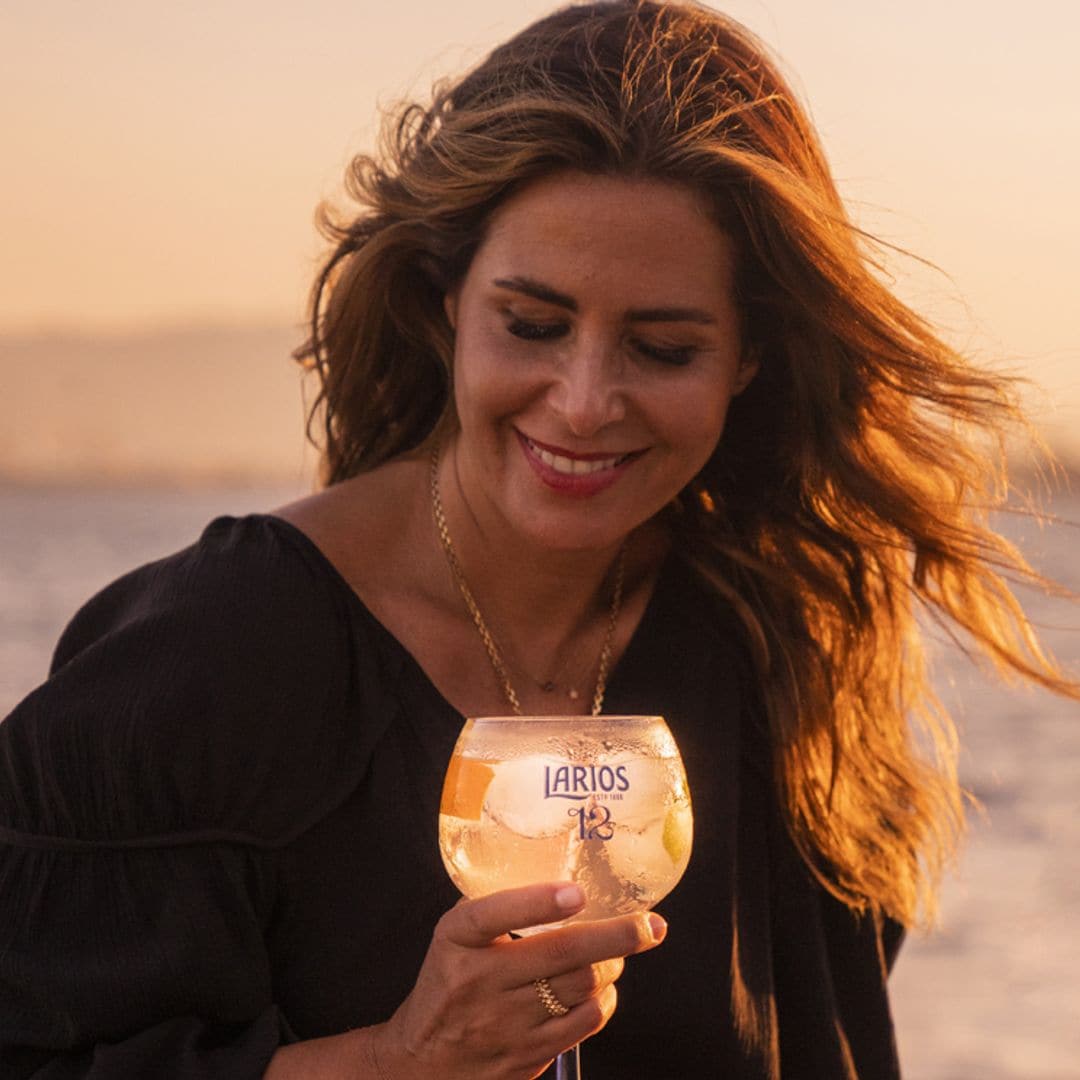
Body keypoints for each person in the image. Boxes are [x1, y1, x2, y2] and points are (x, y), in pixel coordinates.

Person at [1, 1, 1075, 1077]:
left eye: (661, 348)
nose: (584, 401)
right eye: (533, 325)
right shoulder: (206, 662)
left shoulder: (774, 645)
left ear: (750, 359)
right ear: (443, 303)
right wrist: (400, 1059)